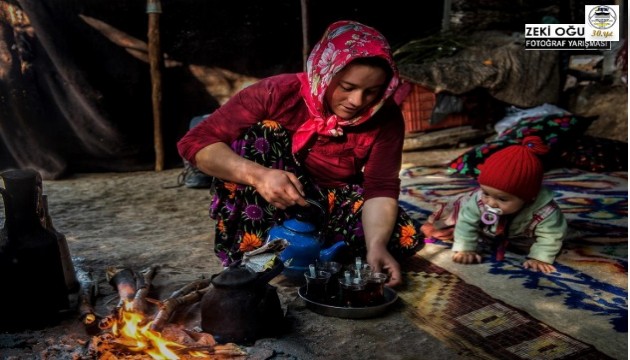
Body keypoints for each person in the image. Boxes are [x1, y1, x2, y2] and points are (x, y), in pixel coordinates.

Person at [177, 20, 423, 287]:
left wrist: (377, 245)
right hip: (268, 195)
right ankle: (255, 249)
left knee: (400, 234)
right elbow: (195, 143)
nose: (357, 102)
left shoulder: (385, 115)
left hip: (328, 201)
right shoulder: (276, 92)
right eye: (348, 87)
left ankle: (312, 250)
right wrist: (259, 176)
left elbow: (381, 187)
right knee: (265, 132)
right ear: (325, 73)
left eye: (371, 92)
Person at [421, 136, 567, 274]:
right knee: (452, 217)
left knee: (536, 242)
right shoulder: (479, 200)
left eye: (502, 199)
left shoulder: (546, 212)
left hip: (515, 231)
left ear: (529, 198)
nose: (490, 202)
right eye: (486, 192)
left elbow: (551, 235)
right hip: (472, 212)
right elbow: (466, 221)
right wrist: (466, 248)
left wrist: (539, 257)